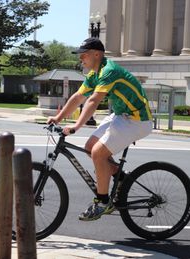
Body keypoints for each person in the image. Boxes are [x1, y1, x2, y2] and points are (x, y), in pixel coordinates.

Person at [47, 37, 152, 221]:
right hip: (122, 116)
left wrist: (76, 126)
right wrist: (58, 118)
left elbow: (93, 100)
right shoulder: (94, 74)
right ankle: (121, 178)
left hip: (137, 119)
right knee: (90, 148)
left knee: (98, 153)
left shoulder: (108, 71)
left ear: (97, 54)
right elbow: (78, 97)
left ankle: (103, 202)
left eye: (84, 55)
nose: (81, 59)